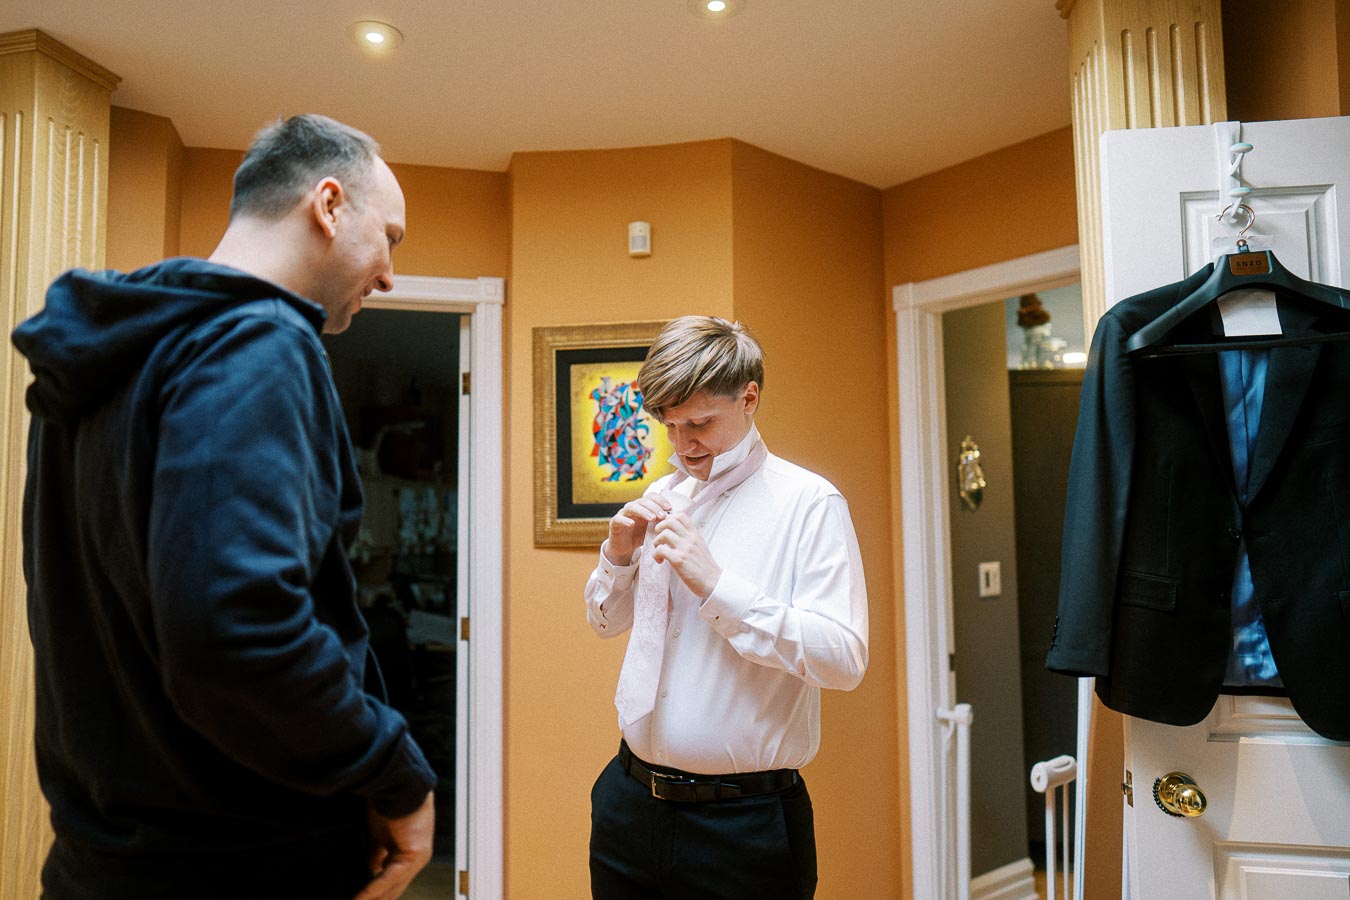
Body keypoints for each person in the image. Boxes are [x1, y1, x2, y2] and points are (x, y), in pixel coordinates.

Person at [12, 114, 436, 899]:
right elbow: (234, 628)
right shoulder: (260, 344)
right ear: (330, 204)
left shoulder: (106, 362)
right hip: (240, 865)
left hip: (100, 862)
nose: (387, 276)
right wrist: (394, 772)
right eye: (391, 239)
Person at [583, 316, 869, 899]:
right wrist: (616, 559)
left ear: (749, 397)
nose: (683, 445)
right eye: (669, 425)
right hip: (628, 803)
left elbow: (845, 659)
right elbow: (605, 624)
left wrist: (717, 586)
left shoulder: (808, 504)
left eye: (699, 423)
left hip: (745, 826)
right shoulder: (662, 498)